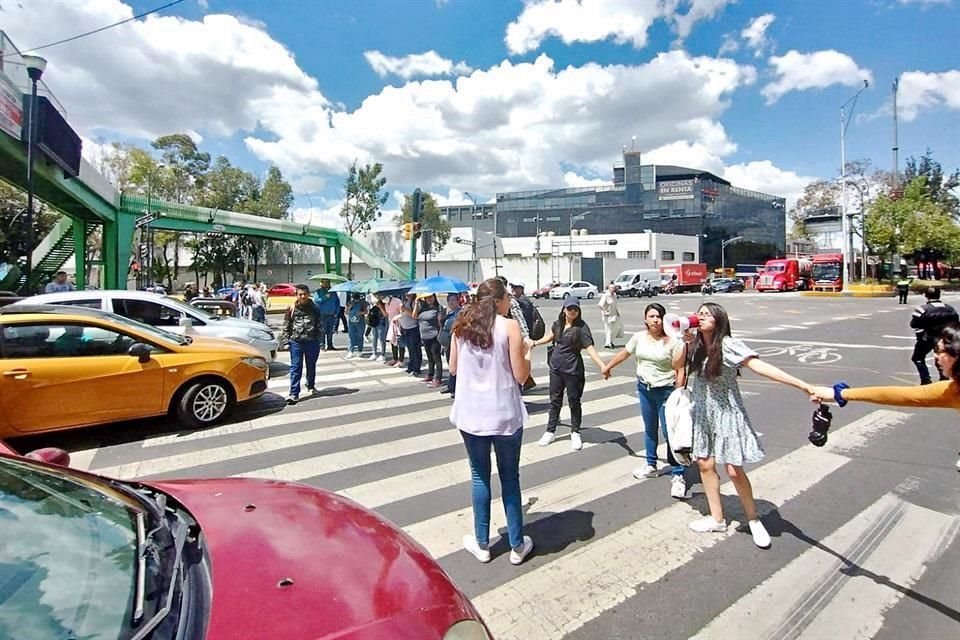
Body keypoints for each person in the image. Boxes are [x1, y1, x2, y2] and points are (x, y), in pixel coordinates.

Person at [681, 302, 814, 548]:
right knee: (705, 464)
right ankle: (717, 518)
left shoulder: (728, 345)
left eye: (706, 314)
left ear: (719, 320)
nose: (700, 317)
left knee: (733, 469)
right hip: (702, 413)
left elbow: (759, 366)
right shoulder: (695, 345)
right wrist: (685, 342)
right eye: (698, 313)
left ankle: (753, 519)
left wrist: (801, 384)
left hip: (727, 413)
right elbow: (677, 367)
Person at [449, 278, 534, 565]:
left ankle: (482, 543)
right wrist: (527, 355)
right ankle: (517, 544)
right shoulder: (508, 326)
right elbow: (521, 375)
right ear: (498, 300)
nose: (510, 302)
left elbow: (452, 367)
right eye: (508, 297)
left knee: (479, 476)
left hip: (471, 414)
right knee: (510, 478)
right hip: (504, 414)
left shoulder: (461, 326)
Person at [810, 322, 960, 470]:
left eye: (939, 350)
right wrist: (840, 394)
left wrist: (839, 394)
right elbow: (901, 395)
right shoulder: (953, 389)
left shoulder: (954, 391)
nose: (935, 356)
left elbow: (905, 396)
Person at [602, 303, 689, 498]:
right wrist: (608, 366)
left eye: (658, 316)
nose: (655, 320)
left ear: (664, 319)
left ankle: (678, 474)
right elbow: (625, 353)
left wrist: (678, 393)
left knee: (670, 434)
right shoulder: (639, 338)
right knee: (650, 429)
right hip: (645, 389)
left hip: (667, 391)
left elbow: (680, 369)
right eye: (651, 316)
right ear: (645, 320)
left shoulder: (674, 341)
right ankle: (651, 464)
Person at [530, 297, 607, 451]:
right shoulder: (558, 324)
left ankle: (575, 432)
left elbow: (590, 348)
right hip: (556, 367)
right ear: (564, 309)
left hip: (573, 369)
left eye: (576, 309)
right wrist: (534, 343)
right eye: (570, 308)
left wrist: (602, 366)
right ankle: (550, 431)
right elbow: (549, 337)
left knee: (574, 401)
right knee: (554, 400)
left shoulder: (581, 327)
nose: (573, 311)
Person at [909, 287, 958, 384]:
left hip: (927, 338)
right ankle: (944, 379)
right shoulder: (950, 309)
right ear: (939, 295)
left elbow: (913, 324)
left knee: (918, 358)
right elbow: (955, 324)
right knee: (942, 358)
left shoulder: (921, 309)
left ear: (926, 296)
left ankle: (925, 379)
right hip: (945, 339)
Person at [283, 284, 322, 405]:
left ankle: (310, 385)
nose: (303, 296)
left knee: (311, 365)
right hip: (296, 342)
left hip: (312, 341)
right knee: (295, 367)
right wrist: (285, 342)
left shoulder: (315, 308)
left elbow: (320, 325)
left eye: (305, 294)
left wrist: (319, 340)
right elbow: (286, 325)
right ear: (296, 295)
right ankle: (294, 393)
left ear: (309, 294)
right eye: (300, 294)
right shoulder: (291, 308)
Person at [509, 281, 538, 391]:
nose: (513, 289)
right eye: (512, 286)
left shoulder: (520, 302)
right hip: (521, 336)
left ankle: (524, 380)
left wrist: (526, 337)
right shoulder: (523, 300)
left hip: (520, 336)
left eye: (515, 287)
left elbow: (521, 321)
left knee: (519, 364)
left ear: (521, 289)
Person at [416, 293, 444, 388]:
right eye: (427, 297)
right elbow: (415, 316)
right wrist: (416, 303)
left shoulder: (438, 308)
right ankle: (430, 374)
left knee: (436, 358)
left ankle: (438, 378)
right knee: (429, 358)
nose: (429, 299)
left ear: (434, 297)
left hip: (434, 336)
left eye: (431, 297)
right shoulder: (423, 307)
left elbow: (441, 323)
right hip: (424, 336)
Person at [439, 293, 462, 397]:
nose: (451, 302)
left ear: (457, 301)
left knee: (456, 366)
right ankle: (451, 385)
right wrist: (441, 318)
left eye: (453, 300)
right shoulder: (448, 313)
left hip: (456, 343)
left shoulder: (460, 312)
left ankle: (456, 388)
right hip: (447, 343)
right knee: (450, 364)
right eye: (449, 301)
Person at [399, 292, 423, 376]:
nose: (407, 294)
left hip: (413, 328)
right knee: (410, 349)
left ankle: (416, 368)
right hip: (406, 328)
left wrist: (405, 309)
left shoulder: (415, 302)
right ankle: (411, 366)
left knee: (415, 349)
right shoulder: (406, 302)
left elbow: (415, 315)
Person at [314, 280, 340, 351]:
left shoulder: (333, 292)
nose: (325, 283)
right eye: (323, 282)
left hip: (332, 314)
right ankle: (322, 345)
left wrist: (336, 312)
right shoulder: (318, 291)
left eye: (327, 282)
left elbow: (337, 302)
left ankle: (330, 345)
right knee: (322, 331)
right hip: (322, 314)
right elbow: (316, 300)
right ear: (321, 283)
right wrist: (325, 297)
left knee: (330, 331)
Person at [597, 282, 622, 349]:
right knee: (609, 329)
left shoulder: (614, 295)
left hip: (614, 314)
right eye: (611, 288)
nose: (613, 289)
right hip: (607, 316)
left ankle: (610, 341)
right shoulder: (606, 295)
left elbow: (614, 304)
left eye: (613, 288)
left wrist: (617, 312)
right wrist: (605, 311)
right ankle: (608, 343)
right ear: (608, 288)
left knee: (616, 328)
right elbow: (600, 304)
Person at [344, 292, 368, 359]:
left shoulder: (363, 303)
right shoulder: (349, 303)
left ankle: (360, 350)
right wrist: (350, 307)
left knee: (360, 336)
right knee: (351, 336)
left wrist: (360, 313)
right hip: (351, 321)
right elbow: (346, 312)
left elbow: (366, 311)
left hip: (360, 321)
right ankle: (350, 351)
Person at [367, 295, 388, 361]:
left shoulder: (384, 303)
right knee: (374, 338)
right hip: (374, 322)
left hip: (381, 322)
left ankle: (383, 354)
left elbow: (385, 314)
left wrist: (380, 306)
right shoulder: (372, 302)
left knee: (382, 338)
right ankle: (374, 353)